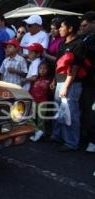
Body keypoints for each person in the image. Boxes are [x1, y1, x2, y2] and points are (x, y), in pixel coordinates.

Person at [50, 16, 85, 152]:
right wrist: (54, 80)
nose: (59, 29)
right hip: (60, 81)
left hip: (71, 84)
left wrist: (65, 85)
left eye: (62, 26)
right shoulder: (63, 43)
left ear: (70, 28)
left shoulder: (79, 44)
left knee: (70, 114)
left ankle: (71, 143)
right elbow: (58, 64)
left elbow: (75, 68)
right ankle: (57, 136)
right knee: (58, 111)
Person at [79, 11, 95, 152]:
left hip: (92, 80)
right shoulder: (85, 38)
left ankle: (93, 140)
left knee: (91, 111)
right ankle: (86, 136)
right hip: (84, 79)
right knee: (86, 109)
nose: (82, 28)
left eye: (85, 25)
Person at [29, 62, 52, 142]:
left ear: (48, 70)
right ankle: (37, 131)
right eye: (40, 68)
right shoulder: (35, 79)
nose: (42, 70)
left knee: (41, 120)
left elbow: (51, 92)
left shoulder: (50, 80)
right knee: (29, 117)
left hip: (43, 102)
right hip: (34, 100)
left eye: (44, 68)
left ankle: (41, 135)